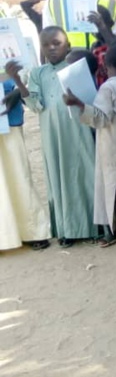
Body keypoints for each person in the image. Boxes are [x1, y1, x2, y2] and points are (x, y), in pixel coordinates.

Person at [5, 27, 98, 245]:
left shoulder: (75, 66)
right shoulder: (39, 73)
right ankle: (68, 230)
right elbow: (36, 105)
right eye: (46, 45)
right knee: (59, 178)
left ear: (67, 44)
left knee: (85, 174)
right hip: (53, 134)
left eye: (56, 43)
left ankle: (95, 228)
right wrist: (18, 81)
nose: (52, 48)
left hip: (78, 131)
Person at [63, 47, 116, 246]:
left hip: (112, 146)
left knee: (113, 189)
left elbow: (101, 118)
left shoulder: (107, 89)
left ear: (105, 66)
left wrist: (79, 104)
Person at [0, 79, 51, 251]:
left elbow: (23, 79)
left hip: (8, 119)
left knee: (18, 174)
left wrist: (15, 92)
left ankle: (33, 231)